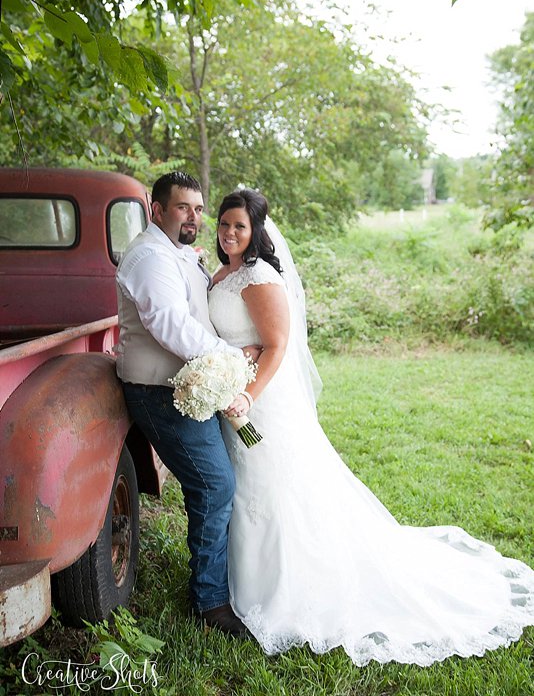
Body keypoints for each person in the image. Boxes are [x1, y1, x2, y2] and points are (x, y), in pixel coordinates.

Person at [208, 187, 534, 665]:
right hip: (232, 391)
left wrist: (246, 395)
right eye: (224, 223)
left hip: (261, 401)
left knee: (273, 488)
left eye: (240, 225)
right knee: (245, 488)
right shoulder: (222, 273)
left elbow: (277, 345)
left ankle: (289, 587)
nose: (230, 232)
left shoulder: (259, 276)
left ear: (256, 230)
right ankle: (239, 577)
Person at [116, 172, 258, 637]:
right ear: (157, 210)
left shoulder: (180, 253)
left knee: (216, 481)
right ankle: (209, 601)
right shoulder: (149, 257)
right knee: (215, 484)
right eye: (183, 208)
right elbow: (171, 325)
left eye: (198, 209)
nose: (193, 217)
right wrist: (230, 358)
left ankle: (217, 582)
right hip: (160, 391)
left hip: (193, 385)